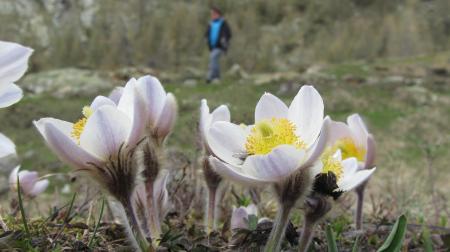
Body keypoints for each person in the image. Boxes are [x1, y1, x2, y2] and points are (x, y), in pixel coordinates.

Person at [205, 7, 232, 83]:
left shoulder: (223, 23)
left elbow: (228, 34)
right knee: (214, 60)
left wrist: (224, 40)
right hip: (212, 47)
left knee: (213, 58)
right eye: (211, 14)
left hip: (220, 46)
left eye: (213, 14)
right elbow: (207, 34)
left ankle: (211, 77)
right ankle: (216, 77)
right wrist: (206, 39)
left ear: (218, 14)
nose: (212, 15)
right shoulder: (211, 24)